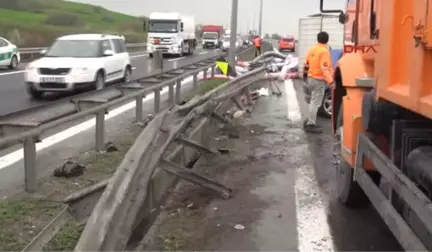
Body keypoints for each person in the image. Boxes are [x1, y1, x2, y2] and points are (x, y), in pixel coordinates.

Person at [302, 31, 334, 133]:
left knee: (313, 102)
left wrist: (305, 75)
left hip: (311, 78)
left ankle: (309, 120)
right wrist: (331, 82)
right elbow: (324, 68)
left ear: (318, 39)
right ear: (327, 40)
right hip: (318, 80)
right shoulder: (325, 52)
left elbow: (306, 64)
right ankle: (310, 124)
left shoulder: (312, 49)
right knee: (315, 103)